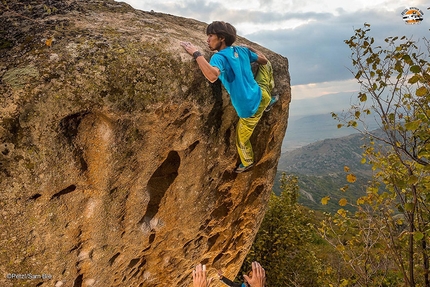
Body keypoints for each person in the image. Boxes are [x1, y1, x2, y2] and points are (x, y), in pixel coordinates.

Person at [180, 21, 277, 173]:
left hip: (249, 109)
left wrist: (196, 53)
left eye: (210, 36)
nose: (207, 40)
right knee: (267, 66)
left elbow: (212, 76)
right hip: (261, 94)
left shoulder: (218, 58)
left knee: (241, 140)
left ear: (222, 38)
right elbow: (263, 60)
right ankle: (270, 102)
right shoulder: (242, 51)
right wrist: (250, 47)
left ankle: (247, 163)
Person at [192, 261, 266, 287]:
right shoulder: (242, 286)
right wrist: (221, 277)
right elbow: (232, 284)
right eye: (250, 276)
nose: (253, 279)